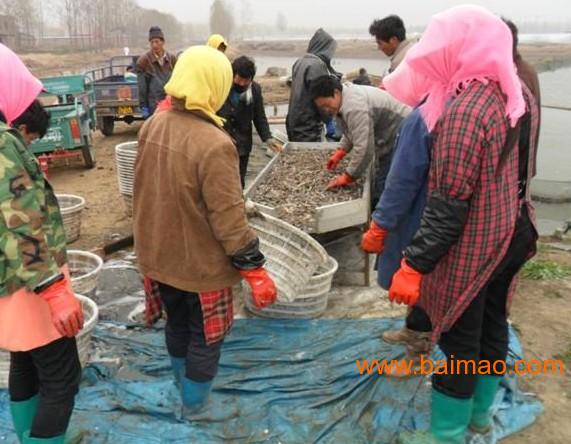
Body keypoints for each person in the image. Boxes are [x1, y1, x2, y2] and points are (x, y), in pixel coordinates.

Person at [384, 6, 539, 443]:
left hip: (477, 242)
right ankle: (479, 417)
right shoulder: (516, 93)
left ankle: (447, 433)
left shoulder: (467, 111)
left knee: (458, 334)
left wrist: (414, 265)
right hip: (513, 228)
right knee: (492, 323)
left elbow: (448, 204)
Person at [133, 45, 277, 415]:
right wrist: (253, 266)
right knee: (205, 338)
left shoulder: (153, 124)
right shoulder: (215, 144)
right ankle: (194, 408)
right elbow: (228, 216)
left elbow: (140, 191)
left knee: (177, 322)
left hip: (160, 257)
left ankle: (182, 388)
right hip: (200, 266)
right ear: (213, 85)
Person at [0, 43, 83, 444]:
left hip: (8, 282)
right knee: (62, 378)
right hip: (29, 282)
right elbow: (20, 223)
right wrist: (54, 290)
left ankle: (28, 436)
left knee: (25, 358)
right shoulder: (2, 144)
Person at [360, 60, 434, 366]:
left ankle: (418, 354)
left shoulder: (422, 118)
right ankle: (413, 329)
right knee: (421, 281)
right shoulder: (441, 105)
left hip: (420, 216)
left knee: (418, 281)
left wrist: (381, 224)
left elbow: (402, 180)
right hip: (432, 214)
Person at [310, 75, 410, 206]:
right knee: (384, 171)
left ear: (336, 92)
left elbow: (365, 148)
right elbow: (352, 130)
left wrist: (348, 176)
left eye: (327, 105)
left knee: (386, 180)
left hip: (403, 130)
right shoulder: (345, 97)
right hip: (392, 131)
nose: (326, 110)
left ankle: (379, 218)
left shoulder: (354, 106)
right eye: (322, 108)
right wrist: (341, 151)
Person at [218, 56, 282, 188]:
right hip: (220, 142)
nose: (241, 84)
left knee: (239, 180)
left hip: (242, 144)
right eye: (239, 80)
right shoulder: (220, 86)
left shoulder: (255, 90)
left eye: (246, 81)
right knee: (221, 180)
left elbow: (259, 116)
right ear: (232, 75)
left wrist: (267, 138)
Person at [286, 28, 338, 142]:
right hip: (308, 125)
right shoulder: (317, 65)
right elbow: (322, 98)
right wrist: (329, 120)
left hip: (293, 121)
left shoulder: (299, 62)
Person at [136, 26, 177, 119]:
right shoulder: (143, 61)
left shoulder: (172, 59)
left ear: (163, 42)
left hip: (170, 103)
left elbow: (177, 80)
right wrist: (143, 106)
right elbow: (142, 87)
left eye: (157, 42)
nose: (154, 45)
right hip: (154, 106)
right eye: (152, 42)